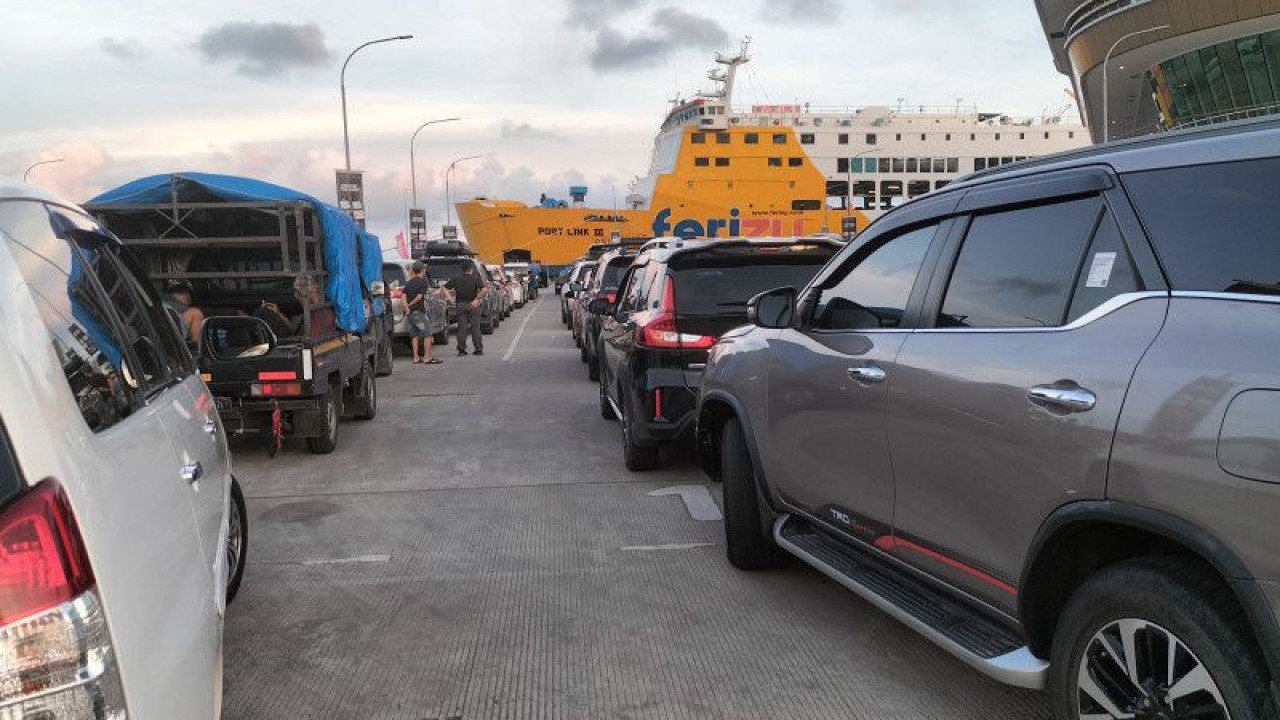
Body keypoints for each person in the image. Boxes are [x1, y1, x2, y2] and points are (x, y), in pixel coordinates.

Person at [445, 262, 487, 356]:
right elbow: (484, 289)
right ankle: (478, 350)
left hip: (460, 305)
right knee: (475, 328)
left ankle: (461, 350)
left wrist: (450, 299)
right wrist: (477, 299)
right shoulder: (476, 278)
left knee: (462, 328)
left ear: (461, 269)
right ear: (471, 269)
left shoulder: (456, 278)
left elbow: (445, 288)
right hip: (473, 305)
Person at [403, 262, 441, 365]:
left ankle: (415, 358)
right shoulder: (423, 282)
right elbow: (419, 297)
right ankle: (427, 358)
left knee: (414, 336)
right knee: (427, 334)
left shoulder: (409, 282)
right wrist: (410, 305)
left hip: (409, 314)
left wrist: (406, 307)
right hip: (419, 312)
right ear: (423, 270)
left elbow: (403, 295)